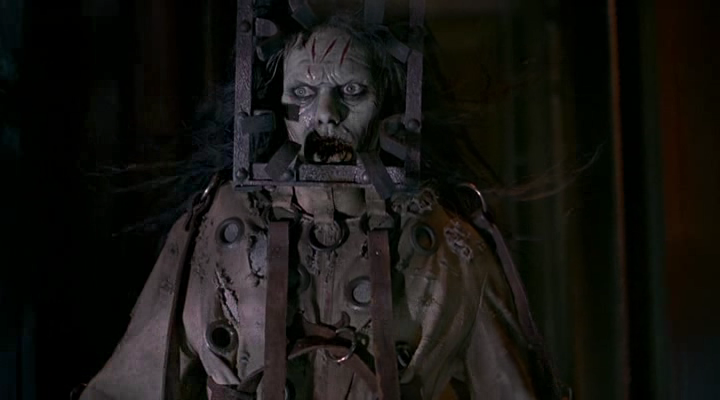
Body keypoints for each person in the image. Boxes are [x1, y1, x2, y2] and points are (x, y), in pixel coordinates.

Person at [78, 3, 566, 399]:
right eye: (303, 92)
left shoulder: (441, 244)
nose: (326, 114)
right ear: (276, 102)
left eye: (352, 91)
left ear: (387, 100)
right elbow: (125, 388)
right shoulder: (217, 228)